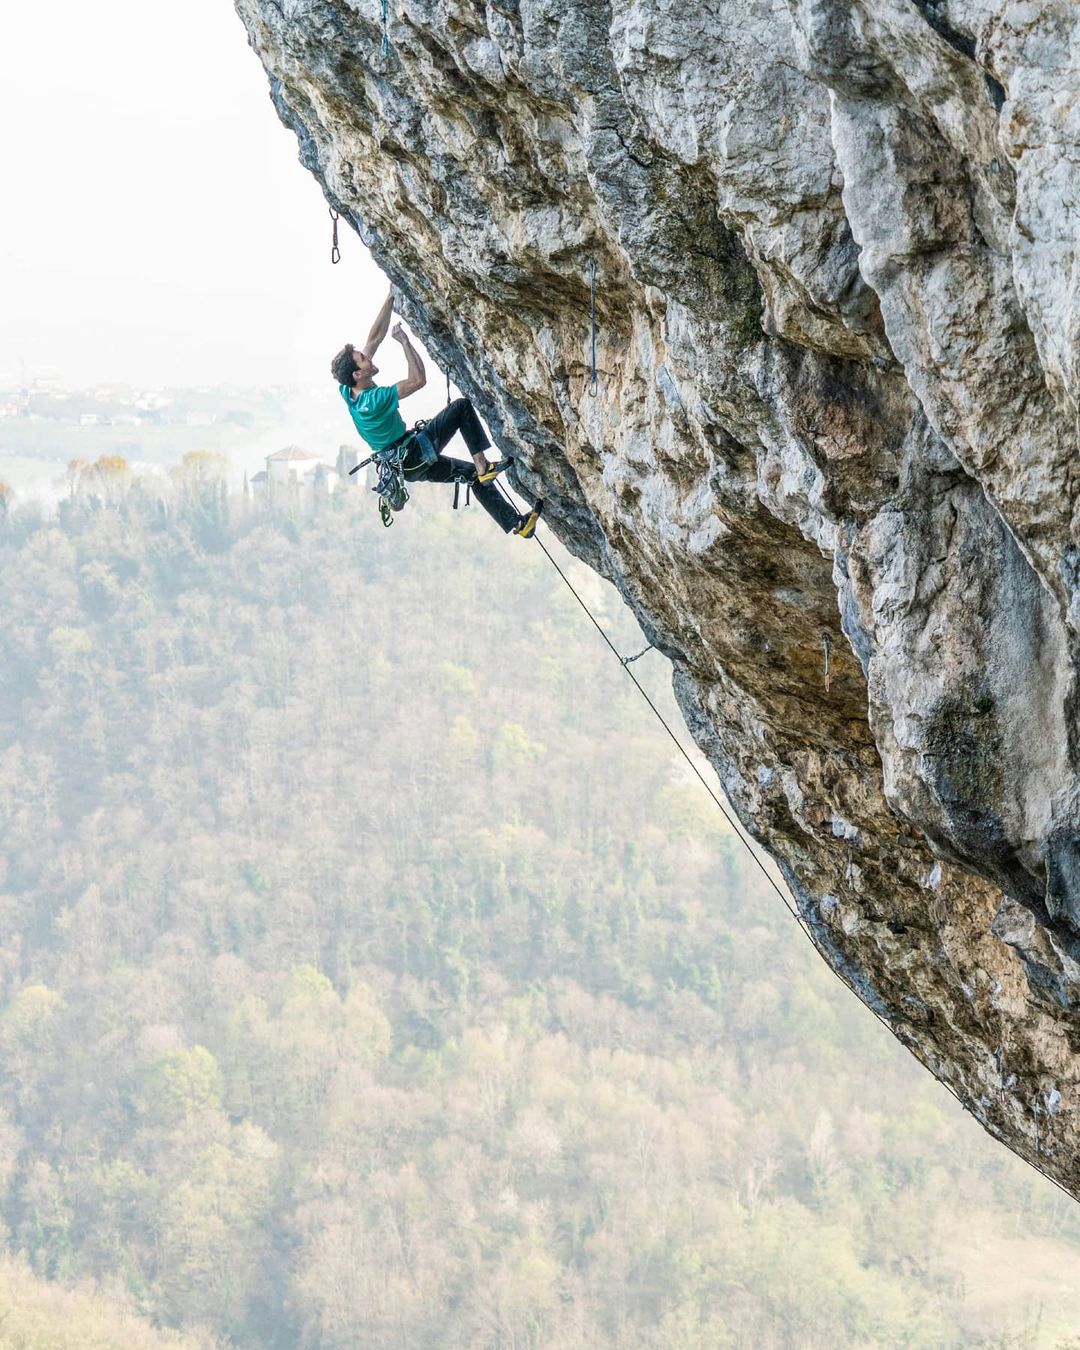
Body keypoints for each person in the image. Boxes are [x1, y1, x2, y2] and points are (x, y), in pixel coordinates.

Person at [331, 292, 542, 538]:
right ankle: (483, 464)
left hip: (407, 466)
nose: (368, 358)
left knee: (472, 477)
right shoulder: (374, 401)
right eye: (363, 359)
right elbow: (417, 380)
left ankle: (518, 524)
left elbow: (374, 338)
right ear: (358, 374)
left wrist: (390, 298)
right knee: (461, 408)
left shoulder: (348, 390)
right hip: (414, 454)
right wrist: (404, 343)